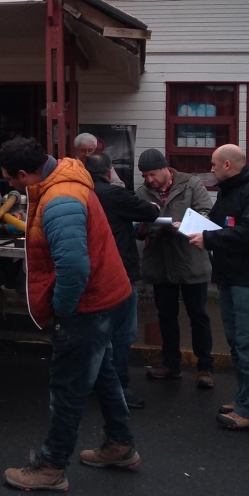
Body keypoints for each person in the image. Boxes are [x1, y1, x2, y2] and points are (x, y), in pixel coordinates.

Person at [0, 138, 139, 492]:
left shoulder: (59, 200)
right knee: (102, 372)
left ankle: (51, 467)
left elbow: (74, 266)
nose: (13, 189)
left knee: (69, 387)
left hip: (86, 304)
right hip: (106, 295)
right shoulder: (63, 177)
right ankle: (119, 445)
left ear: (23, 173)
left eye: (12, 182)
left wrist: (63, 308)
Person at [186, 145, 249, 432]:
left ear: (227, 164)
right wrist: (189, 226)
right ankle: (244, 400)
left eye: (213, 164)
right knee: (237, 342)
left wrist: (210, 239)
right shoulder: (229, 189)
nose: (210, 169)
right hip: (229, 276)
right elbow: (215, 224)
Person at [134, 149, 216, 389]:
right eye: (144, 175)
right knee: (166, 317)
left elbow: (206, 213)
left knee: (198, 316)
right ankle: (171, 364)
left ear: (165, 169)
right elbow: (138, 226)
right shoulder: (141, 192)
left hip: (190, 260)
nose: (149, 180)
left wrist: (187, 225)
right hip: (160, 264)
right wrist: (144, 226)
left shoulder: (191, 185)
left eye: (152, 174)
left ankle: (205, 367)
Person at [83, 153, 158, 410]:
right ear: (108, 172)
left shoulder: (80, 193)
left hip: (90, 271)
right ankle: (118, 388)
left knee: (97, 333)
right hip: (119, 273)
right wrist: (156, 208)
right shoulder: (113, 194)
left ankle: (95, 383)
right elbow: (149, 211)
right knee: (122, 333)